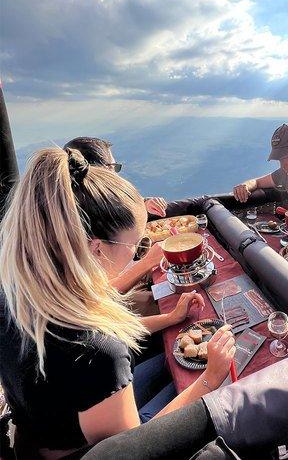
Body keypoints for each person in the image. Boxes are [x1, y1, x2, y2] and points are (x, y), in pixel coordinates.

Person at [0, 148, 235, 457]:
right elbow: (136, 448)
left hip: (42, 435)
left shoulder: (22, 293)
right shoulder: (98, 352)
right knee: (198, 384)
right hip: (90, 450)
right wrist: (211, 379)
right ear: (96, 249)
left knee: (170, 361)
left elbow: (100, 329)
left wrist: (171, 318)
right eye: (135, 245)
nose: (139, 252)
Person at [63, 136, 166, 294]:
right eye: (112, 167)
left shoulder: (69, 212)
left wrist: (143, 206)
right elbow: (100, 297)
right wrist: (148, 262)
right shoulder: (79, 229)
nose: (116, 176)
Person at [64, 137, 168, 217]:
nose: (116, 175)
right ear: (102, 170)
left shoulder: (61, 202)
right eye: (114, 167)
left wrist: (146, 203)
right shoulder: (91, 212)